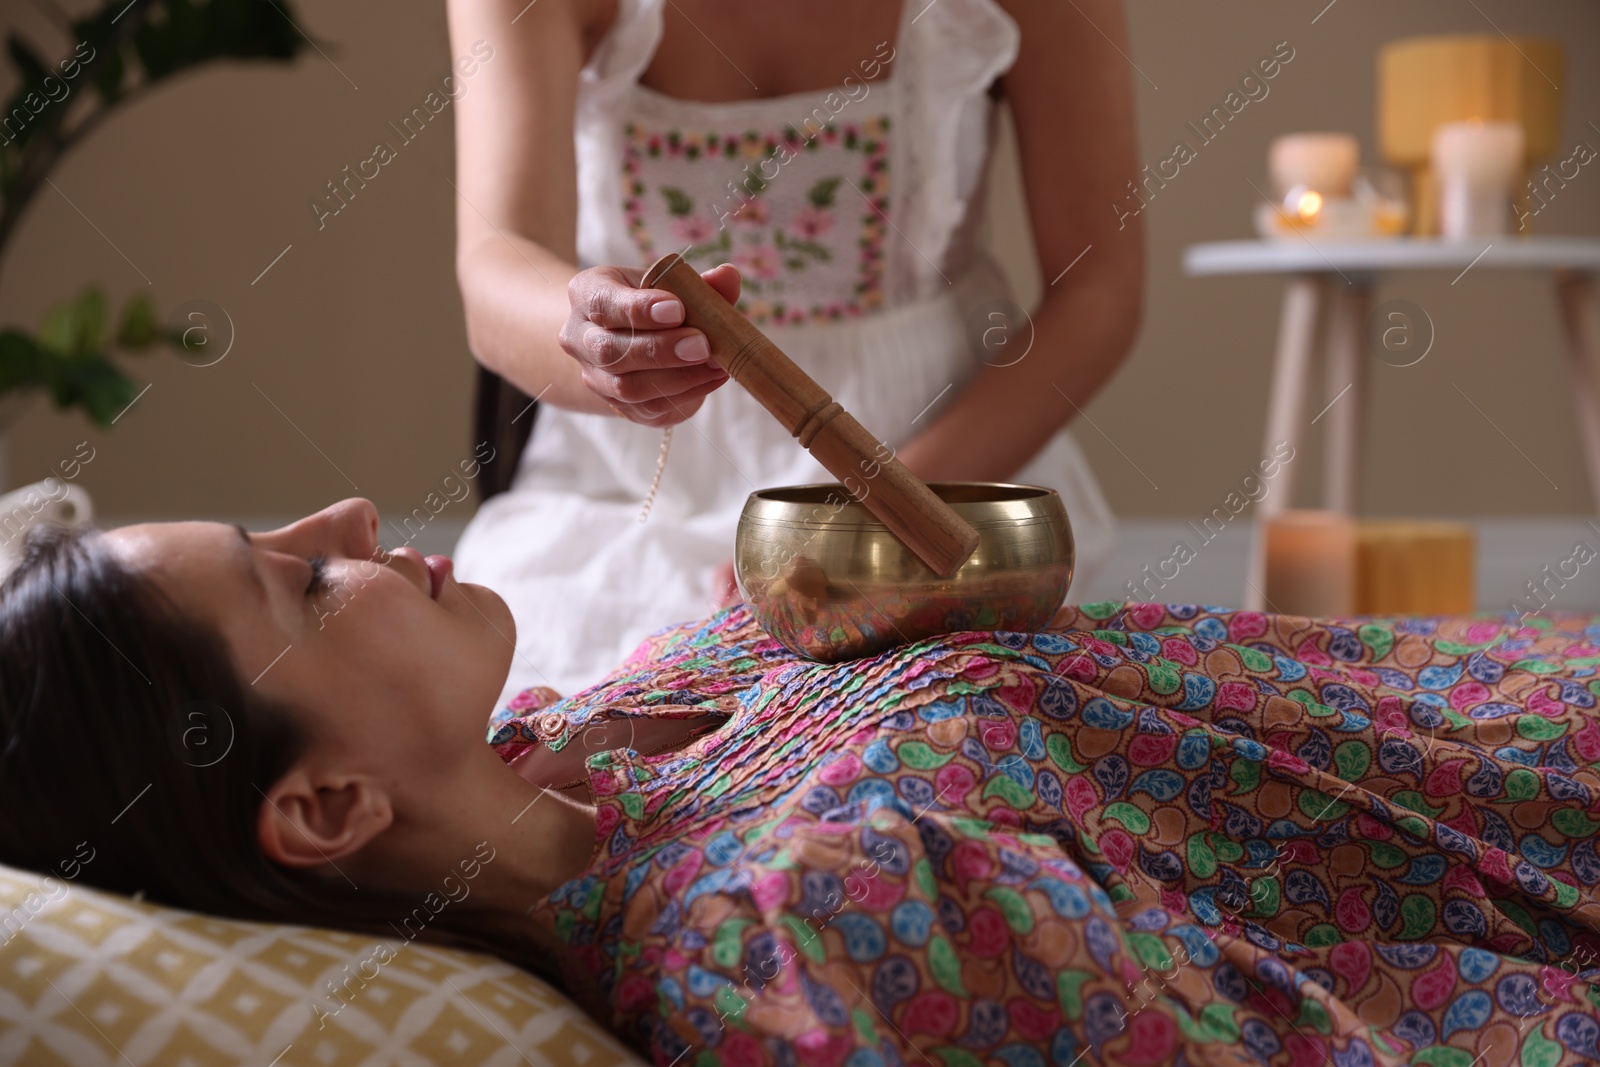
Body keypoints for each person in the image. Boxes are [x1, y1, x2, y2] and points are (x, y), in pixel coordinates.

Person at [4, 501, 1599, 1064]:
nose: (350, 515)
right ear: (329, 805)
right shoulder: (783, 946)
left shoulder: (584, 718)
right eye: (295, 583)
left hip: (1504, 700)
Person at [445, 0, 1144, 701]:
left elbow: (1099, 289)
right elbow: (498, 261)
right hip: (626, 502)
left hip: (943, 475)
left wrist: (865, 518)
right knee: (574, 743)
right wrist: (597, 340)